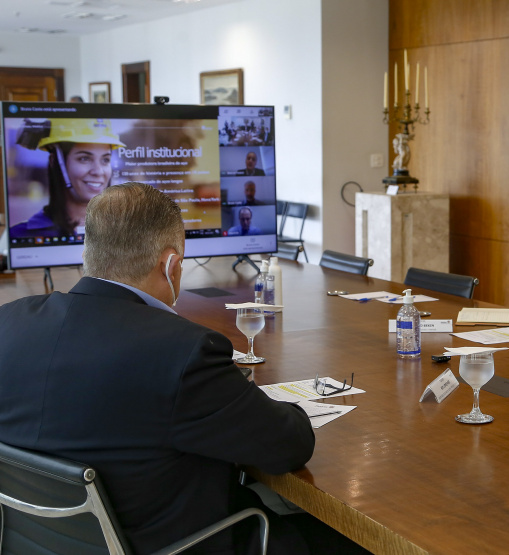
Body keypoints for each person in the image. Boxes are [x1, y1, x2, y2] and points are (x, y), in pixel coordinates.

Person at [0, 183, 317, 553]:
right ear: (171, 265)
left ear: (88, 253)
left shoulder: (9, 322)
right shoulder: (182, 351)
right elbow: (287, 446)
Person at [9, 118, 124, 238]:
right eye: (84, 158)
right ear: (55, 162)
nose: (98, 171)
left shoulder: (126, 233)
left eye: (105, 160)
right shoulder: (21, 235)